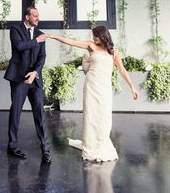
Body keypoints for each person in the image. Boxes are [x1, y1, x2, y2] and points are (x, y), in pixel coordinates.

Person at [48, 25, 139, 162]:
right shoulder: (90, 45)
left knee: (104, 117)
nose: (93, 38)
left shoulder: (113, 51)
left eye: (95, 36)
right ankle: (90, 146)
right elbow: (71, 41)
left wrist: (132, 87)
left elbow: (122, 70)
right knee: (90, 116)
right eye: (93, 36)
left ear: (103, 35)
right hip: (91, 86)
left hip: (104, 88)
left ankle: (101, 144)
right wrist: (53, 36)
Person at [4, 6, 52, 164]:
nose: (38, 18)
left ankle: (45, 149)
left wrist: (35, 72)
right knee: (16, 111)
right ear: (27, 17)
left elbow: (43, 57)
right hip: (19, 78)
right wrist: (36, 41)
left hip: (35, 79)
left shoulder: (40, 34)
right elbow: (19, 46)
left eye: (38, 15)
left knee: (40, 114)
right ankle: (12, 146)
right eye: (35, 15)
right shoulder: (15, 29)